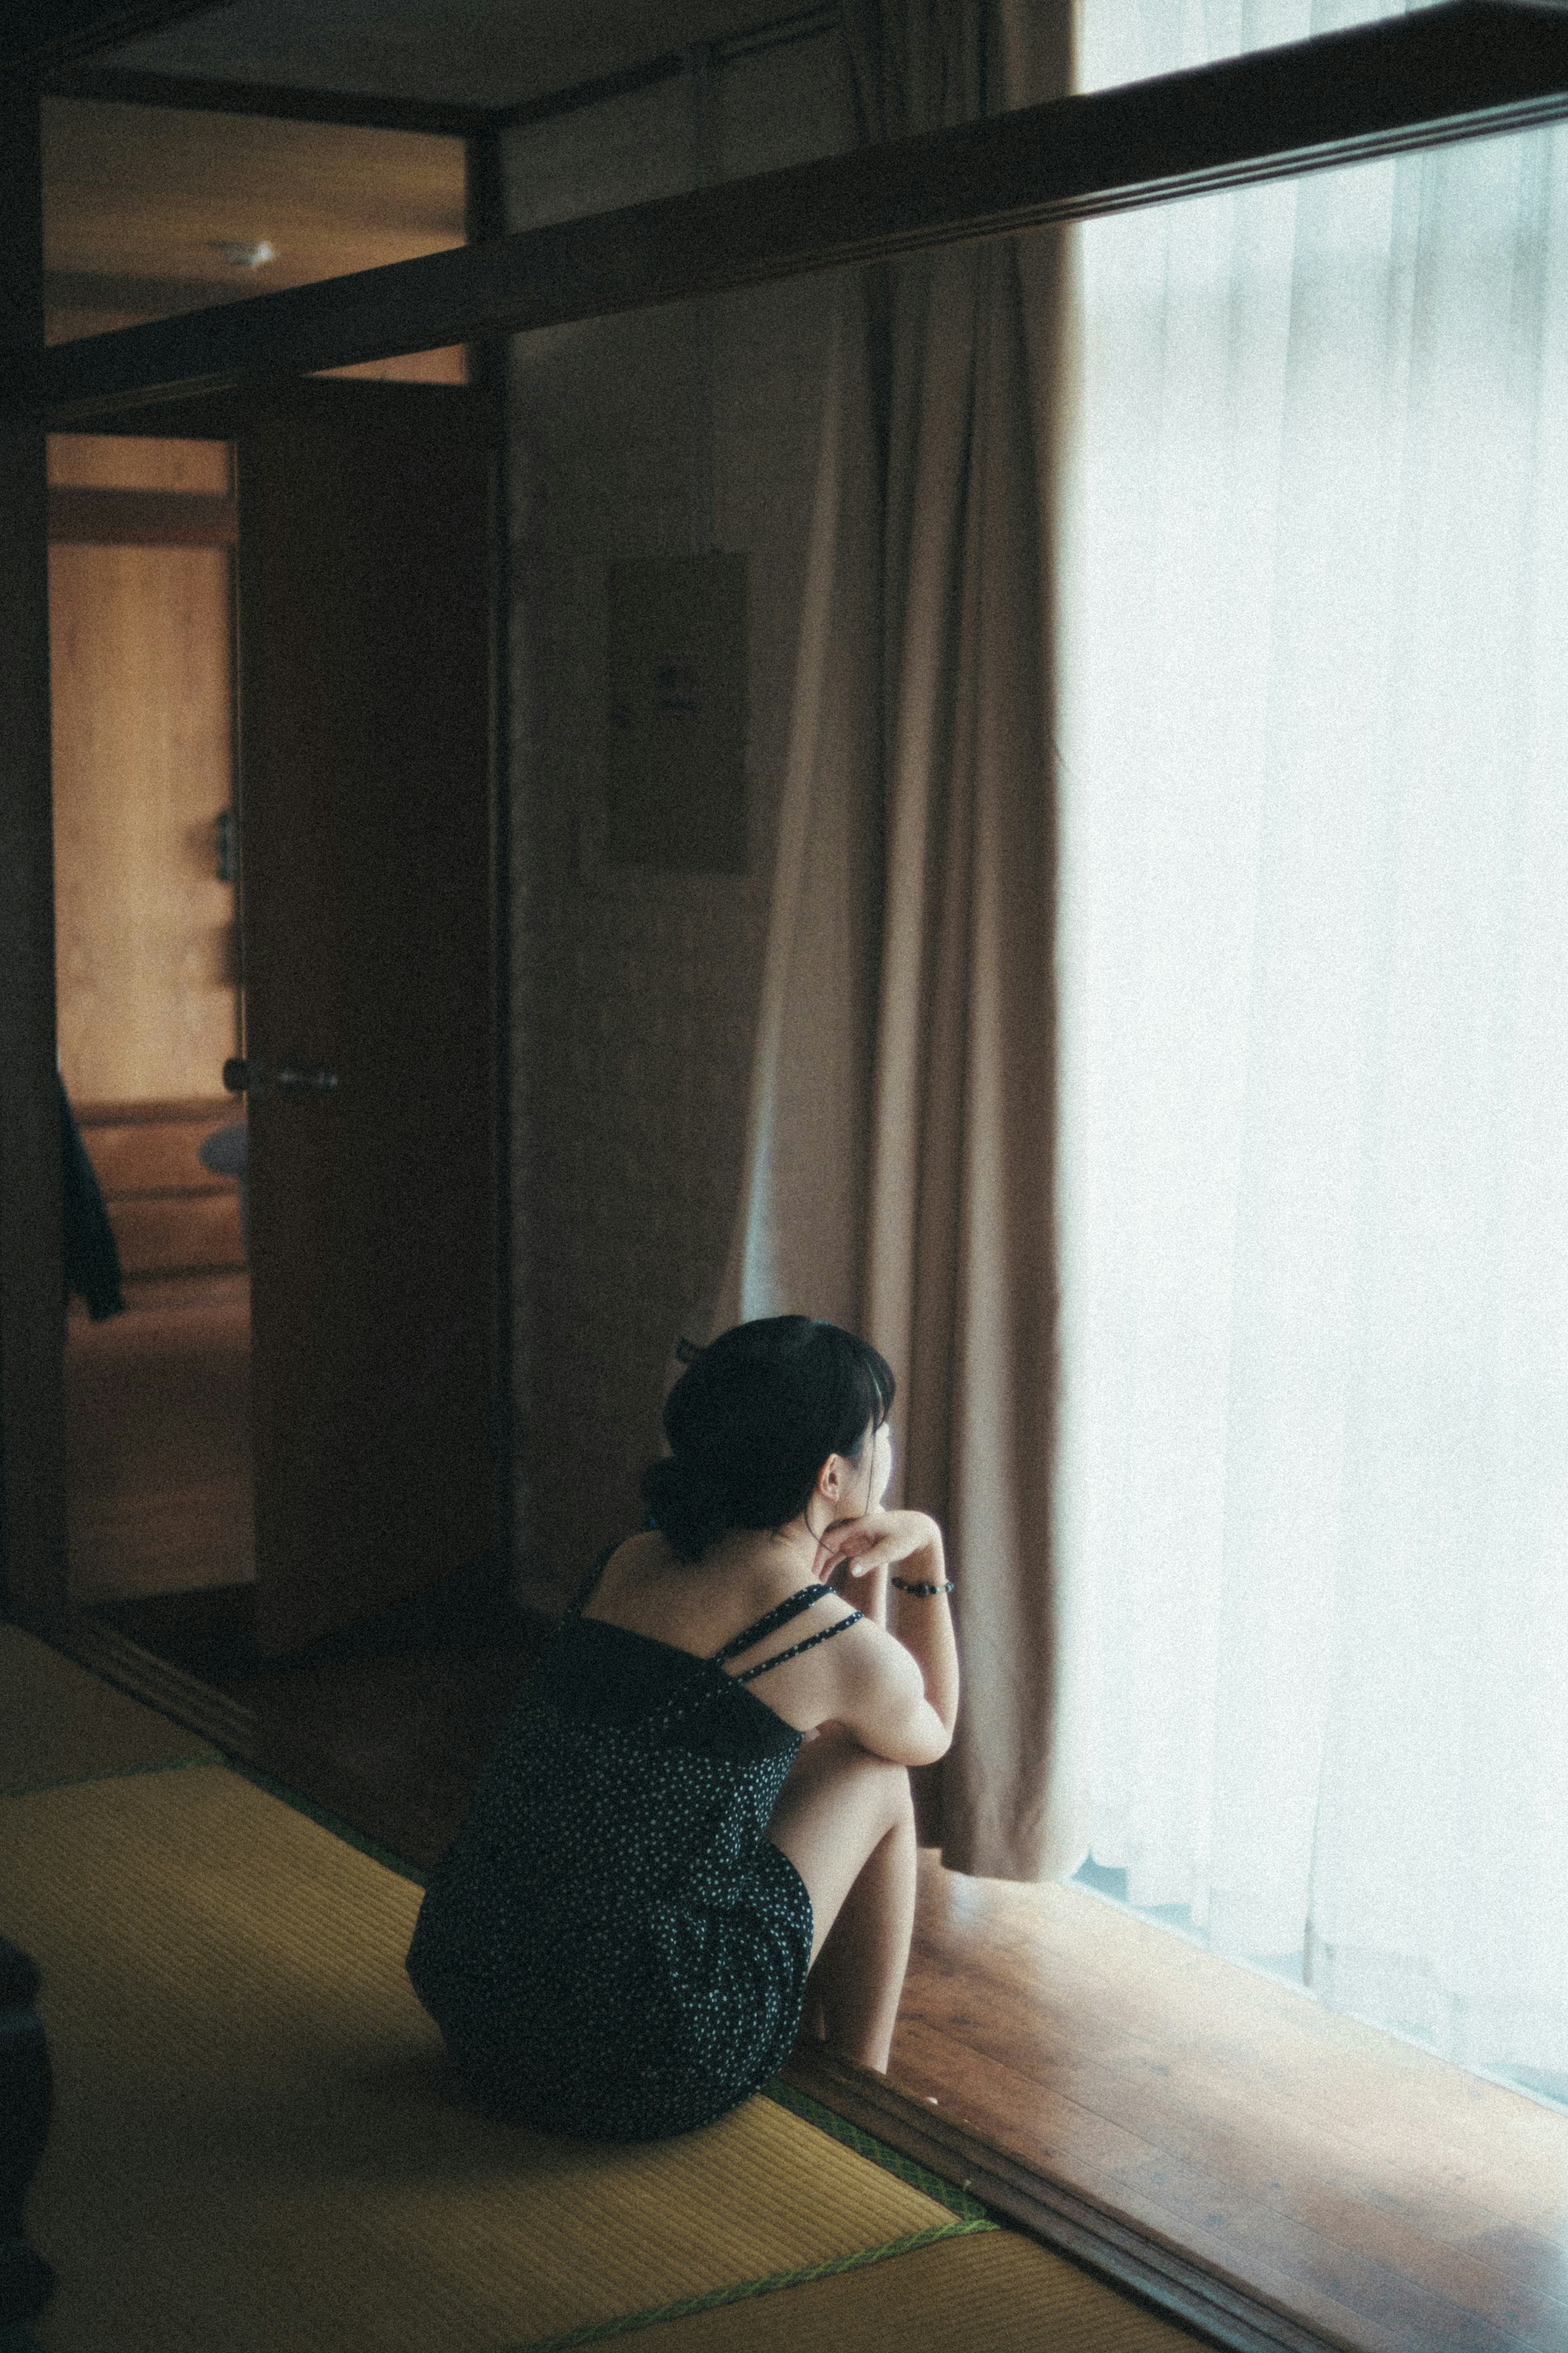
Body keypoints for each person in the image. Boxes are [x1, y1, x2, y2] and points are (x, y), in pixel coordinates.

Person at [405, 1314, 959, 2142]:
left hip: (480, 2001)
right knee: (877, 1776)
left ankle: (830, 2056)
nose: (888, 1444)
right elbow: (928, 1732)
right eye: (877, 1432)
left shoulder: (628, 1560)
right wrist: (926, 1558)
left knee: (804, 1761)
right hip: (645, 2049)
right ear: (832, 1476)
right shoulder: (818, 1639)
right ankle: (863, 2086)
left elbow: (847, 1690)